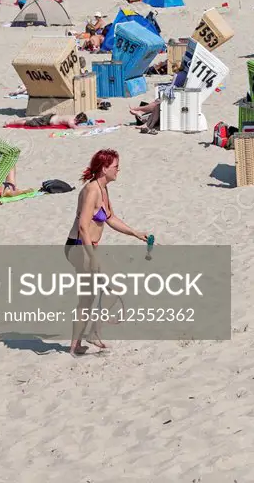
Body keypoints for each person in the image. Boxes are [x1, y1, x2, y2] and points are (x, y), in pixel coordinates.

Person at [65, 149, 148, 355]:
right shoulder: (92, 190)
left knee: (88, 297)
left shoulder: (103, 188)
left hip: (87, 246)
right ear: (104, 168)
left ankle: (76, 344)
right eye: (115, 167)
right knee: (111, 287)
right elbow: (84, 226)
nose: (118, 170)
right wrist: (91, 257)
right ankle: (92, 333)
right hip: (78, 246)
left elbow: (110, 218)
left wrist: (135, 233)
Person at [11, 112, 89, 128]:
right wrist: (91, 127)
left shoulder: (74, 116)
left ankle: (17, 120)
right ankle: (12, 122)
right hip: (47, 120)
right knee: (28, 123)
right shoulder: (71, 121)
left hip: (51, 116)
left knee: (32, 120)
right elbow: (76, 128)